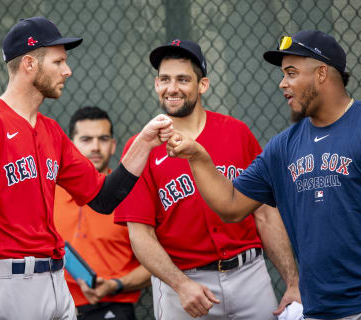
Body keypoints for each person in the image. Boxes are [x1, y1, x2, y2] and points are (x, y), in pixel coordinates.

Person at [166, 30, 361, 320]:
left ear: (322, 73)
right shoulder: (282, 147)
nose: (282, 83)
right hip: (320, 307)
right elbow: (231, 205)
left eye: (291, 73)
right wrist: (198, 157)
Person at [0, 16, 173, 320]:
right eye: (58, 61)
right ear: (29, 64)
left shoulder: (51, 131)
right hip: (11, 282)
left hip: (56, 283)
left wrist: (145, 142)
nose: (67, 70)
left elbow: (103, 198)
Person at [114, 39, 301, 319]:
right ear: (155, 84)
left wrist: (293, 282)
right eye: (164, 79)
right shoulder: (140, 147)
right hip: (184, 286)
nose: (172, 88)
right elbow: (140, 234)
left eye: (183, 79)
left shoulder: (237, 133)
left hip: (249, 276)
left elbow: (265, 213)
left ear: (203, 85)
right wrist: (180, 284)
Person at [54, 106, 151, 320]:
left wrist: (116, 285)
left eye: (103, 139)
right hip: (55, 305)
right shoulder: (49, 194)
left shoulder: (131, 195)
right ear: (71, 145)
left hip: (113, 307)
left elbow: (155, 265)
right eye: (86, 139)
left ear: (113, 145)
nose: (96, 147)